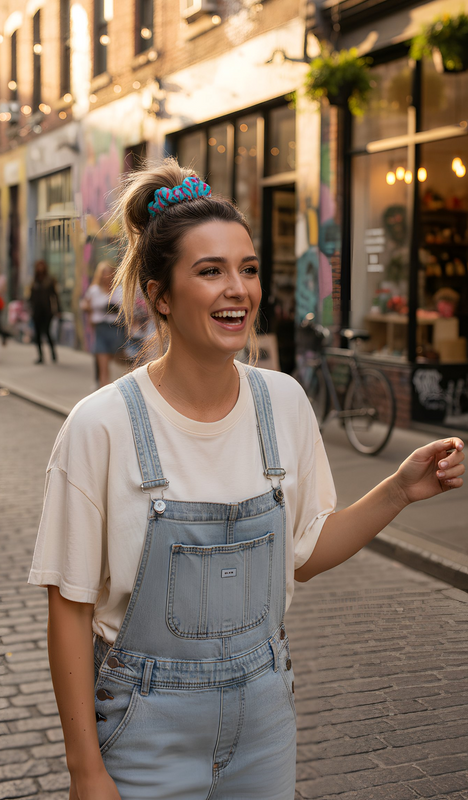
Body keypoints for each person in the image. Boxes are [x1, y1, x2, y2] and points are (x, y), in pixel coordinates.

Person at [29, 161, 464, 800]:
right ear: (160, 296)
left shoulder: (283, 403)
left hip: (265, 725)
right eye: (211, 272)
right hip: (145, 731)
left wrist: (398, 489)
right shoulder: (101, 425)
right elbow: (68, 607)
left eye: (249, 268)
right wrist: (85, 770)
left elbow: (305, 554)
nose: (239, 289)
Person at [81, 261, 126, 387]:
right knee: (102, 365)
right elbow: (85, 305)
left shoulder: (119, 290)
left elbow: (126, 308)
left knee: (120, 363)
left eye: (109, 273)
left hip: (116, 329)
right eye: (104, 274)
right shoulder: (94, 290)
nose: (106, 277)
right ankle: (104, 390)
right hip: (100, 329)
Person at [29, 260, 59, 364]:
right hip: (36, 311)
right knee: (37, 334)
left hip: (47, 311)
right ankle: (40, 356)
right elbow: (31, 297)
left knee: (47, 332)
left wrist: (58, 310)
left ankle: (53, 353)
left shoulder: (49, 280)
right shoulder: (34, 280)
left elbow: (55, 295)